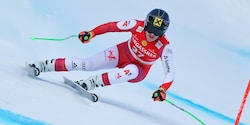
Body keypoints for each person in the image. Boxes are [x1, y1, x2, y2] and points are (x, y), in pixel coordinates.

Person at [27, 8, 175, 102]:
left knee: (129, 71)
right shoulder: (136, 25)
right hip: (122, 52)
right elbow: (112, 26)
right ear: (145, 24)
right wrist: (92, 33)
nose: (151, 34)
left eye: (156, 32)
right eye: (149, 29)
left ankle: (90, 83)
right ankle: (42, 66)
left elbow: (170, 72)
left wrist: (162, 89)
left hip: (138, 69)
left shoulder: (164, 47)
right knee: (86, 64)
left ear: (162, 33)